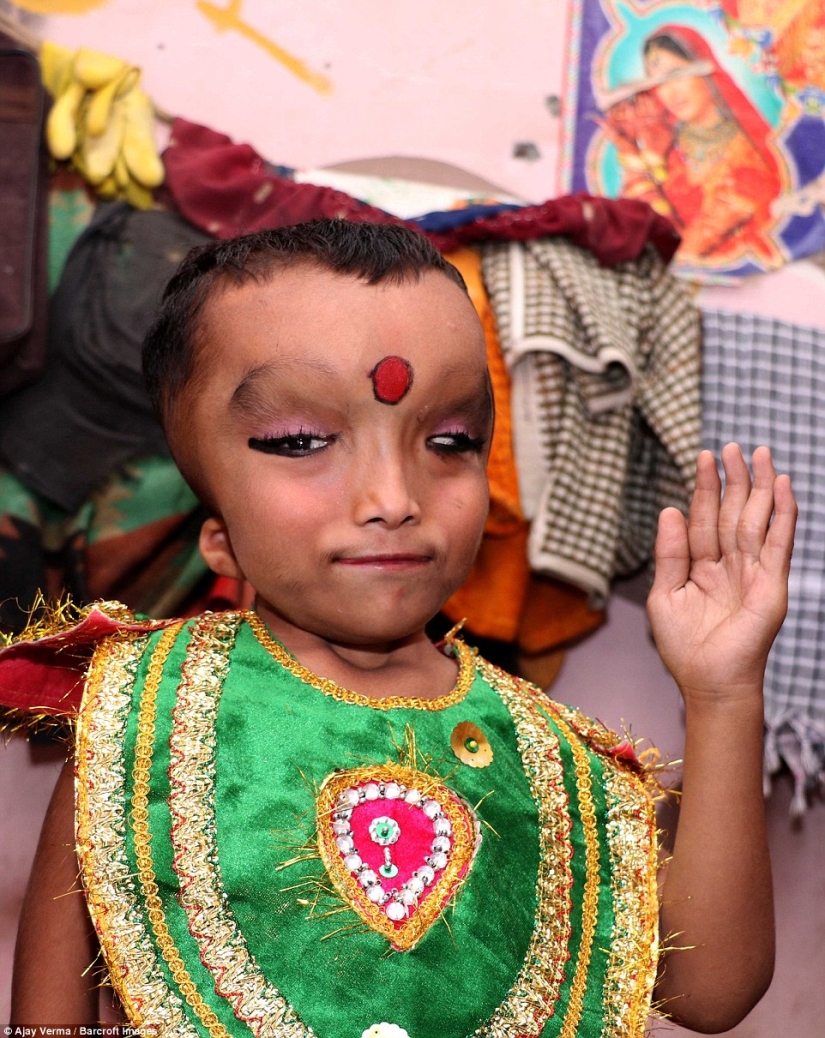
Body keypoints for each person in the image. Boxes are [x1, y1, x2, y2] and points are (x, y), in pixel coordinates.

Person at [6, 219, 796, 1035]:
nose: (393, 496)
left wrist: (723, 693)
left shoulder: (553, 759)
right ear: (216, 534)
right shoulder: (142, 712)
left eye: (449, 442)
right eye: (302, 440)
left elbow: (709, 993)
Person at [601, 24, 785, 269]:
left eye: (677, 73)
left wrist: (634, 161)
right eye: (660, 82)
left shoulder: (748, 160)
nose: (670, 91)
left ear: (708, 71)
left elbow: (673, 255)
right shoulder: (670, 146)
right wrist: (652, 155)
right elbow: (630, 229)